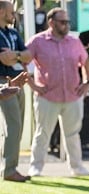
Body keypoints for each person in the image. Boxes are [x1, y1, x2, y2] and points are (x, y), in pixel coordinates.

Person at [26, 8, 89, 177]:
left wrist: (86, 82)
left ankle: (77, 167)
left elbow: (86, 62)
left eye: (68, 22)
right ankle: (35, 167)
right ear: (51, 22)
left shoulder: (74, 41)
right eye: (63, 22)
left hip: (72, 95)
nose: (66, 25)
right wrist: (33, 86)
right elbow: (22, 63)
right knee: (42, 133)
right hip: (46, 96)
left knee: (73, 134)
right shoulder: (37, 41)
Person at [0, 0, 32, 182]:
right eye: (11, 11)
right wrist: (15, 56)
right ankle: (9, 170)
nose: (14, 14)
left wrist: (16, 55)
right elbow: (3, 59)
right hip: (3, 81)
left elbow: (28, 54)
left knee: (16, 126)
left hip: (17, 81)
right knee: (13, 125)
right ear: (1, 11)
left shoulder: (12, 32)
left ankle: (10, 167)